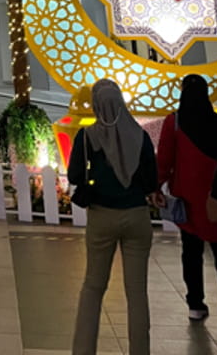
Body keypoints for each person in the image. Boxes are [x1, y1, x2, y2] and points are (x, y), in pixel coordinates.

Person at [69, 79, 161, 355]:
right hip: (136, 216)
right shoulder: (139, 135)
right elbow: (151, 179)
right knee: (137, 292)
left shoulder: (88, 137)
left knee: (93, 286)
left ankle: (83, 350)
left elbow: (74, 175)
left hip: (101, 216)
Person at [157, 73, 217, 324]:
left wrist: (155, 186)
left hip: (188, 201)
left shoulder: (175, 123)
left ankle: (196, 304)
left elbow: (165, 159)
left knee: (191, 254)